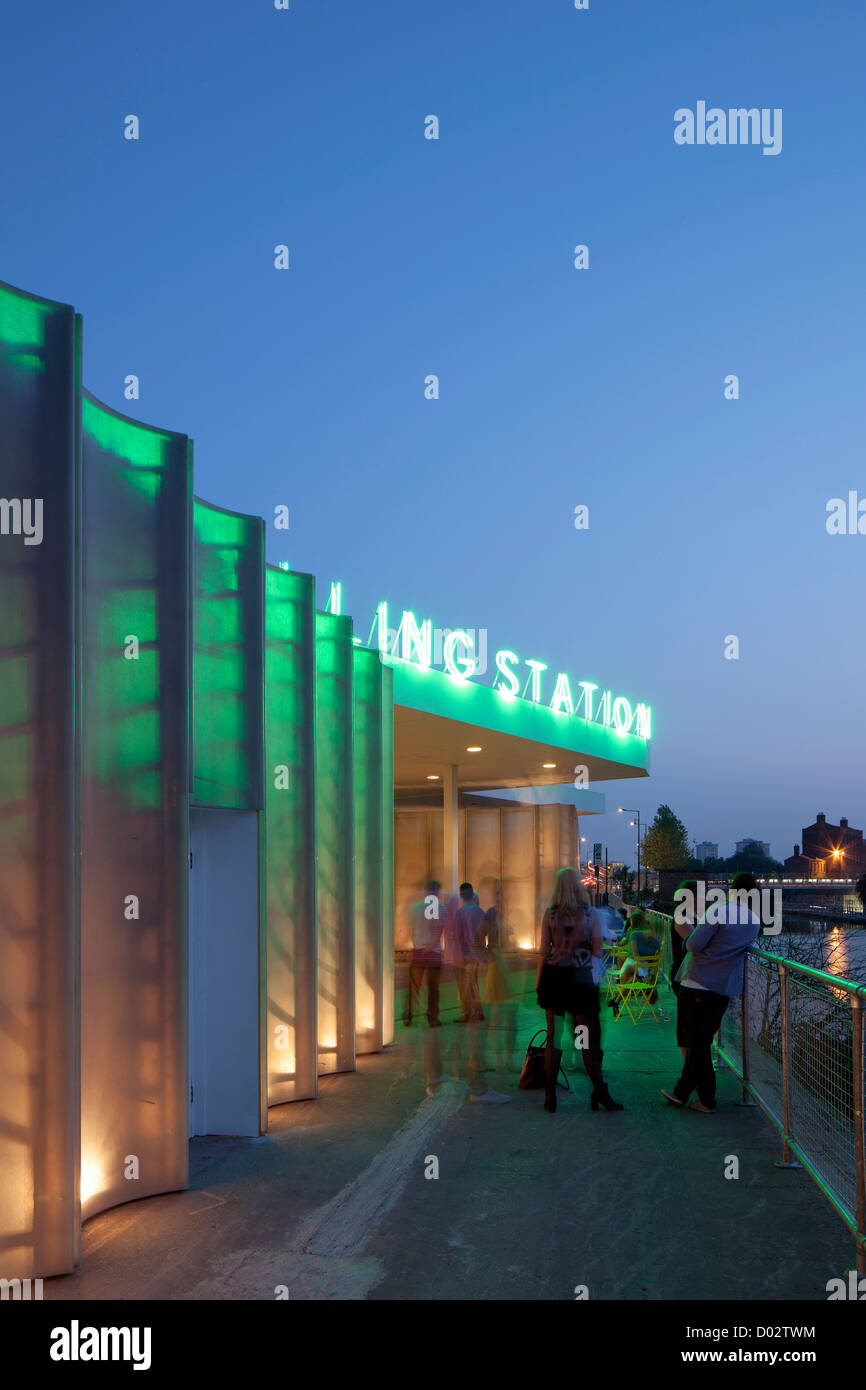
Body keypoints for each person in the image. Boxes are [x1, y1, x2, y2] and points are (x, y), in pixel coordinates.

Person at [662, 872, 761, 1114]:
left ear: (731, 890)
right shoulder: (753, 920)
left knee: (699, 1044)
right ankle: (681, 1092)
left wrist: (687, 943)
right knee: (702, 1042)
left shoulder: (719, 911)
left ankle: (706, 1100)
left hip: (697, 982)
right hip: (723, 987)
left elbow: (694, 945)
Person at [536, 867, 622, 1113]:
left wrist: (539, 981)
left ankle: (550, 1096)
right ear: (579, 887)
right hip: (581, 980)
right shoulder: (592, 915)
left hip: (553, 978)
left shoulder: (550, 915)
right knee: (587, 1038)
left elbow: (543, 951)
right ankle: (600, 1093)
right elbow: (597, 952)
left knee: (554, 1036)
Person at [403, 879, 443, 1027]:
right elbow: (438, 934)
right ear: (438, 892)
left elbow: (411, 931)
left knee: (414, 987)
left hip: (418, 952)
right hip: (434, 953)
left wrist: (417, 946)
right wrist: (430, 947)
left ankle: (409, 1016)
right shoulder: (442, 909)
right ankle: (432, 1018)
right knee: (433, 989)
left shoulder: (414, 908)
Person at [445, 882, 486, 1022]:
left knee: (465, 986)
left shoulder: (460, 913)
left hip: (465, 956)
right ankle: (477, 1011)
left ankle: (468, 1012)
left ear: (462, 895)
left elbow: (457, 937)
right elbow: (484, 934)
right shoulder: (481, 912)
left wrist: (457, 957)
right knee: (474, 983)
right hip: (477, 955)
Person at [669, 878, 698, 1061]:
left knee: (693, 1023)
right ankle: (689, 1065)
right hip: (683, 976)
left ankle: (694, 1064)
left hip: (692, 976)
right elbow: (696, 944)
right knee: (687, 1024)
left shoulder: (695, 916)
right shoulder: (682, 917)